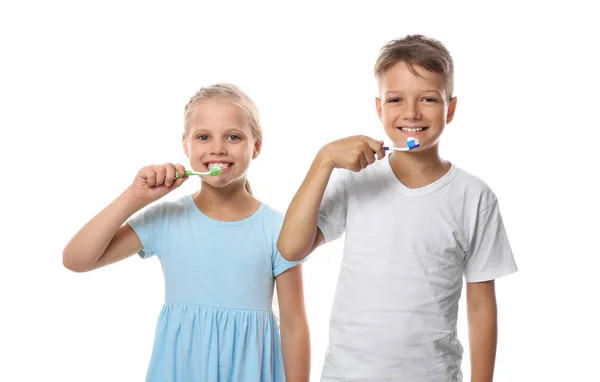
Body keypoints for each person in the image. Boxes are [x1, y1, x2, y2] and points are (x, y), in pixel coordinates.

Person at [278, 35, 518, 381]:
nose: (411, 112)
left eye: (428, 99)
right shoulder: (354, 179)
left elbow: (481, 307)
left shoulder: (474, 197)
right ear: (379, 109)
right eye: (395, 99)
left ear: (450, 108)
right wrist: (324, 160)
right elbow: (290, 247)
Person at [63, 83, 310, 382]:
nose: (218, 148)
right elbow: (76, 259)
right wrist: (134, 198)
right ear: (186, 145)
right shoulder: (166, 218)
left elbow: (295, 326)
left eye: (233, 137)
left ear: (256, 146)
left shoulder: (278, 228)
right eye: (204, 137)